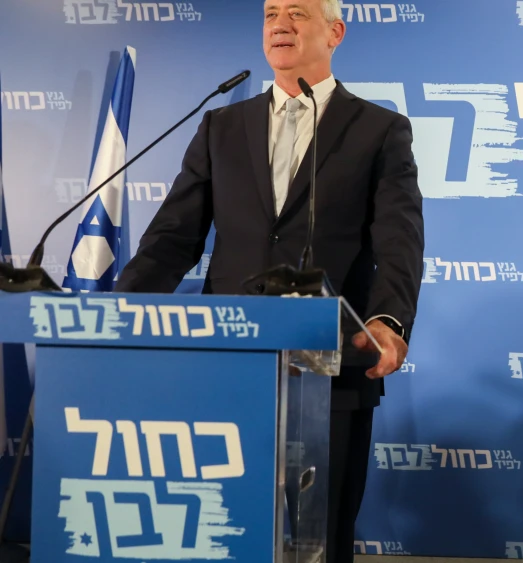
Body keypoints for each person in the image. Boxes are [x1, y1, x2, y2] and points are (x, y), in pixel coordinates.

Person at [114, 0, 424, 560]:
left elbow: (399, 240)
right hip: (230, 363)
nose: (280, 23)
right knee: (222, 528)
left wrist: (388, 319)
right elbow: (173, 238)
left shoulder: (380, 130)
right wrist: (118, 309)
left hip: (331, 364)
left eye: (298, 13)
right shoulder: (221, 125)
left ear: (335, 33)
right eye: (270, 13)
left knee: (321, 535)